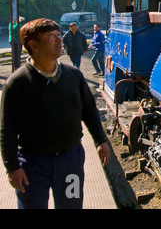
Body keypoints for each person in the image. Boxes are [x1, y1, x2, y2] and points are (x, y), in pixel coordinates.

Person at [0, 18, 110, 209]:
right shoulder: (17, 83)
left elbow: (89, 111)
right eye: (51, 36)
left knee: (71, 206)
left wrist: (101, 140)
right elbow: (7, 130)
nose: (59, 40)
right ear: (33, 44)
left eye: (59, 34)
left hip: (70, 162)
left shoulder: (74, 76)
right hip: (33, 164)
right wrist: (12, 167)